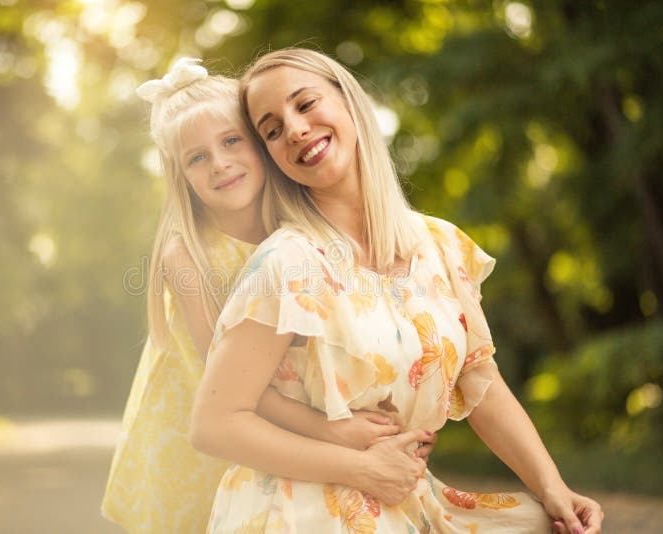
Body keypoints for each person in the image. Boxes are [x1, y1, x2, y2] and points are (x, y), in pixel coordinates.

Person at [190, 48, 604, 533]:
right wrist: (360, 469)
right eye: (273, 130)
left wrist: (554, 488)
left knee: (542, 524)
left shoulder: (441, 245)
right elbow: (214, 424)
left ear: (350, 102)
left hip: (400, 499)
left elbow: (479, 381)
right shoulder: (287, 263)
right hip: (295, 513)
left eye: (305, 105)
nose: (296, 129)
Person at [101, 58, 437, 534]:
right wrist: (329, 430)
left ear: (261, 144)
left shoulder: (298, 225)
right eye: (197, 158)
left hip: (275, 429)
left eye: (232, 141)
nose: (220, 164)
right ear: (182, 176)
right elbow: (233, 389)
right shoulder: (189, 254)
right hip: (200, 428)